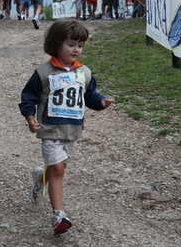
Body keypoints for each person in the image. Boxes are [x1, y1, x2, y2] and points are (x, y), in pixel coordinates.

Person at [19, 19, 115, 234]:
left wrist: (101, 102)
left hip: (73, 131)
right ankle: (58, 215)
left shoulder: (84, 73)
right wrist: (29, 116)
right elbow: (28, 97)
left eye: (80, 45)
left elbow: (89, 96)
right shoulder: (43, 73)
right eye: (71, 44)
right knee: (59, 170)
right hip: (50, 129)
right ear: (56, 43)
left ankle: (39, 177)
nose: (76, 50)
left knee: (56, 168)